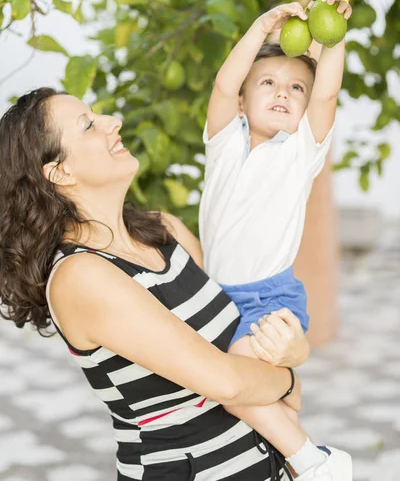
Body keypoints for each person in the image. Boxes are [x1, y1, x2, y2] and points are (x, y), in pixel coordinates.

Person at [0, 87, 329, 481]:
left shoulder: (164, 230)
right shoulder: (81, 276)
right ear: (59, 172)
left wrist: (293, 351)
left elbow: (249, 328)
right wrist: (290, 381)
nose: (112, 123)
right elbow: (227, 382)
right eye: (88, 125)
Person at [199, 0, 353, 481]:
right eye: (267, 83)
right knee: (265, 406)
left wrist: (332, 38)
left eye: (296, 88)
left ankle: (317, 462)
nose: (283, 93)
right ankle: (287, 463)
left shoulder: (299, 153)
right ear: (244, 103)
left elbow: (327, 92)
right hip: (217, 299)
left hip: (267, 299)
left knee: (229, 383)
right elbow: (224, 86)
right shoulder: (224, 142)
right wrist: (260, 31)